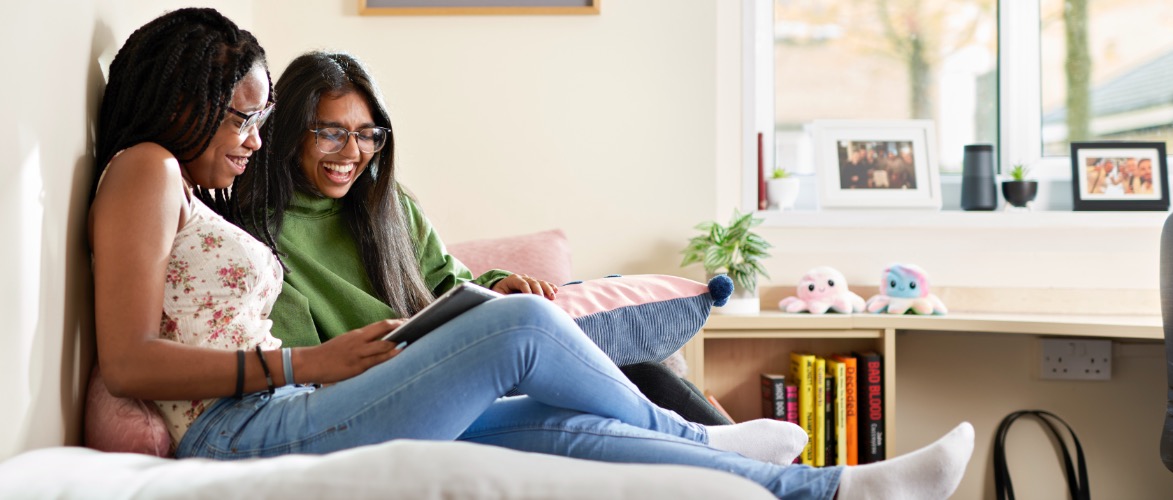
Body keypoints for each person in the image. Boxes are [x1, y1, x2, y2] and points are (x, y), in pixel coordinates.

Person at [89, 11, 973, 498]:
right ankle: (723, 440)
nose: (251, 136)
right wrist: (308, 359)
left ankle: (831, 491)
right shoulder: (148, 167)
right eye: (245, 116)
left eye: (257, 119)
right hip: (251, 429)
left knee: (570, 428)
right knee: (522, 324)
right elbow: (128, 358)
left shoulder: (189, 184)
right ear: (185, 99)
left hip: (295, 401)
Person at [232, 50, 730, 426]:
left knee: (645, 370)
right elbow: (304, 368)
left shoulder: (389, 204)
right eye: (331, 132)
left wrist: (499, 286)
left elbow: (449, 284)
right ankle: (730, 452)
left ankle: (742, 456)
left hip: (462, 362)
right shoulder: (257, 236)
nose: (353, 152)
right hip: (392, 395)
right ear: (290, 130)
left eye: (368, 134)